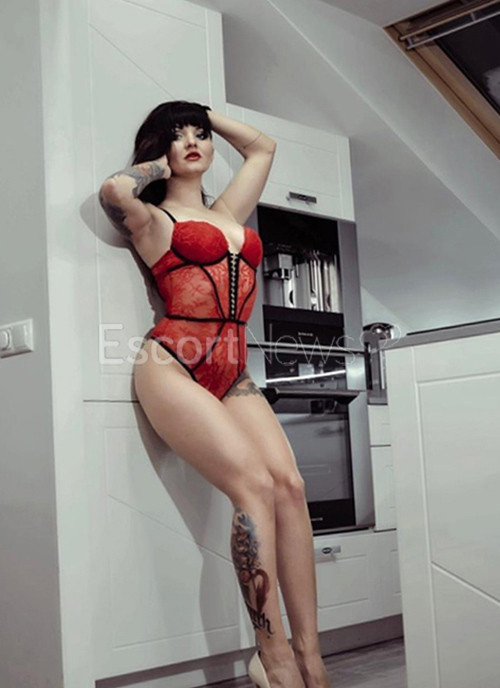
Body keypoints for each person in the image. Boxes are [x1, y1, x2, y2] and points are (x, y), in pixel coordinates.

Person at [98, 101, 332, 688]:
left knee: (290, 487)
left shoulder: (228, 211)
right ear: (160, 148)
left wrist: (204, 112)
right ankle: (273, 655)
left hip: (233, 370)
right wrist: (164, 155)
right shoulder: (154, 221)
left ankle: (310, 654)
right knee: (252, 485)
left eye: (199, 135)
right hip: (172, 363)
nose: (193, 142)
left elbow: (262, 147)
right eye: (178, 136)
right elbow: (115, 190)